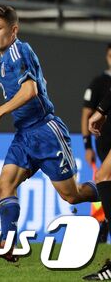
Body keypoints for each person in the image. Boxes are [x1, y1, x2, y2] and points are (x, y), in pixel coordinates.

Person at [0, 5, 99, 262]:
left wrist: (0, 110)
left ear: (14, 30)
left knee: (72, 195)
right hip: (24, 133)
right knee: (5, 184)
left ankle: (107, 190)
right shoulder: (5, 57)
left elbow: (30, 90)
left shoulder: (17, 50)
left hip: (45, 131)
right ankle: (8, 243)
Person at [81, 44, 111, 242]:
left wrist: (100, 112)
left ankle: (104, 225)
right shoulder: (99, 82)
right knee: (104, 176)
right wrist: (87, 144)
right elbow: (86, 113)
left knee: (104, 177)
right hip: (105, 141)